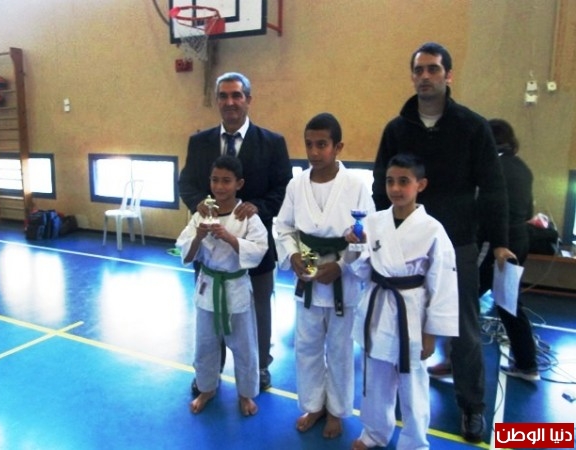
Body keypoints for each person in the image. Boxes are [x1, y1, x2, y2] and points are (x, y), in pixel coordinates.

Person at [372, 42, 516, 443]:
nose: (425, 76)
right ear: (412, 76)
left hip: (458, 244)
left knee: (463, 329)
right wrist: (380, 233)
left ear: (448, 75)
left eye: (433, 69)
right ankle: (396, 396)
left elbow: (493, 187)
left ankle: (472, 407)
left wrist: (499, 241)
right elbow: (380, 184)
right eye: (419, 70)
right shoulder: (396, 129)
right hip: (405, 247)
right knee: (397, 322)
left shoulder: (472, 127)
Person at [178, 72, 292, 393]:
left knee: (258, 310)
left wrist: (258, 206)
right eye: (224, 96)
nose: (230, 102)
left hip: (253, 242)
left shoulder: (272, 142)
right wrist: (199, 204)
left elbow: (283, 189)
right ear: (217, 100)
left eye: (236, 95)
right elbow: (187, 183)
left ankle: (260, 366)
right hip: (210, 247)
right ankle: (209, 371)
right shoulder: (199, 142)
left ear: (248, 100)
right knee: (209, 310)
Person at [346, 153, 459, 450]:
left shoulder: (433, 229)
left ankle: (415, 443)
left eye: (404, 181)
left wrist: (431, 332)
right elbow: (361, 272)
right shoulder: (373, 222)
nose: (395, 188)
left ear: (420, 184)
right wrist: (354, 247)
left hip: (412, 313)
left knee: (413, 386)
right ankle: (374, 433)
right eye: (390, 181)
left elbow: (442, 285)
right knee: (375, 380)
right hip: (378, 307)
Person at [275, 113, 375, 439]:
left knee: (340, 349)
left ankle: (337, 411)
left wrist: (342, 266)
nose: (314, 152)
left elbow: (368, 234)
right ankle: (314, 405)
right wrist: (293, 256)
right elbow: (283, 226)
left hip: (342, 274)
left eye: (322, 145)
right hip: (307, 263)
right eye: (309, 144)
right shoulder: (296, 184)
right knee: (306, 346)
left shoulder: (356, 186)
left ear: (338, 147)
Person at [176, 155, 268, 416]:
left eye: (226, 181)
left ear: (239, 184)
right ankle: (206, 388)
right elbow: (186, 253)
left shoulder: (246, 216)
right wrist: (198, 236)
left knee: (244, 346)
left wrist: (229, 237)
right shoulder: (201, 214)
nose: (219, 186)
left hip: (236, 288)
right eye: (215, 180)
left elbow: (260, 249)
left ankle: (245, 394)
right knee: (205, 343)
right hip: (208, 287)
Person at [478, 118, 539, 381]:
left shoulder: (492, 167)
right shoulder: (523, 168)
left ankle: (454, 362)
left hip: (495, 243)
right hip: (519, 240)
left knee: (465, 298)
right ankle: (527, 363)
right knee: (508, 303)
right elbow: (528, 213)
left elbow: (483, 209)